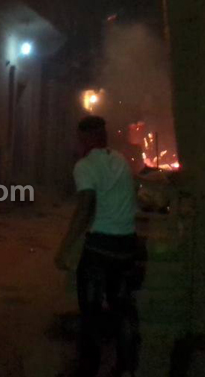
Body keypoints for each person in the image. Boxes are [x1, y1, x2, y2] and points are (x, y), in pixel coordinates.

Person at [55, 115, 146, 377]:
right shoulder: (120, 160)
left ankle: (88, 368)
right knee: (122, 307)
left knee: (90, 311)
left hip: (101, 248)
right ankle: (126, 366)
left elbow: (85, 207)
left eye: (79, 138)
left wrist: (65, 247)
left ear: (85, 139)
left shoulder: (85, 166)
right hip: (127, 245)